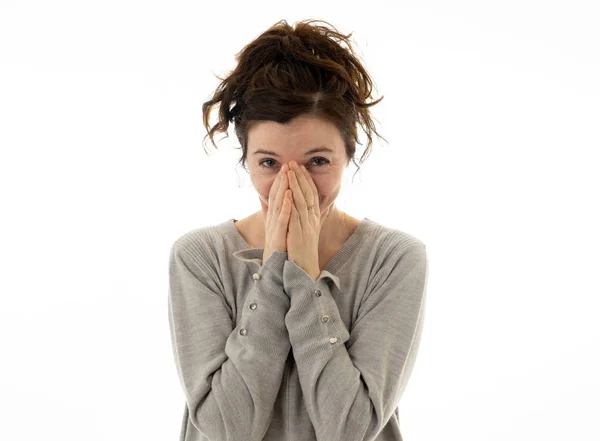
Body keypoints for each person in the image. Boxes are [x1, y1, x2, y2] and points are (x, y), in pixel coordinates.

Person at [167, 19, 429, 441]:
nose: (293, 185)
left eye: (318, 162)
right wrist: (275, 267)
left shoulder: (394, 258)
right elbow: (224, 428)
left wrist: (305, 275)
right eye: (269, 163)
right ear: (246, 160)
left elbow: (350, 430)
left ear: (349, 153)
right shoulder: (200, 256)